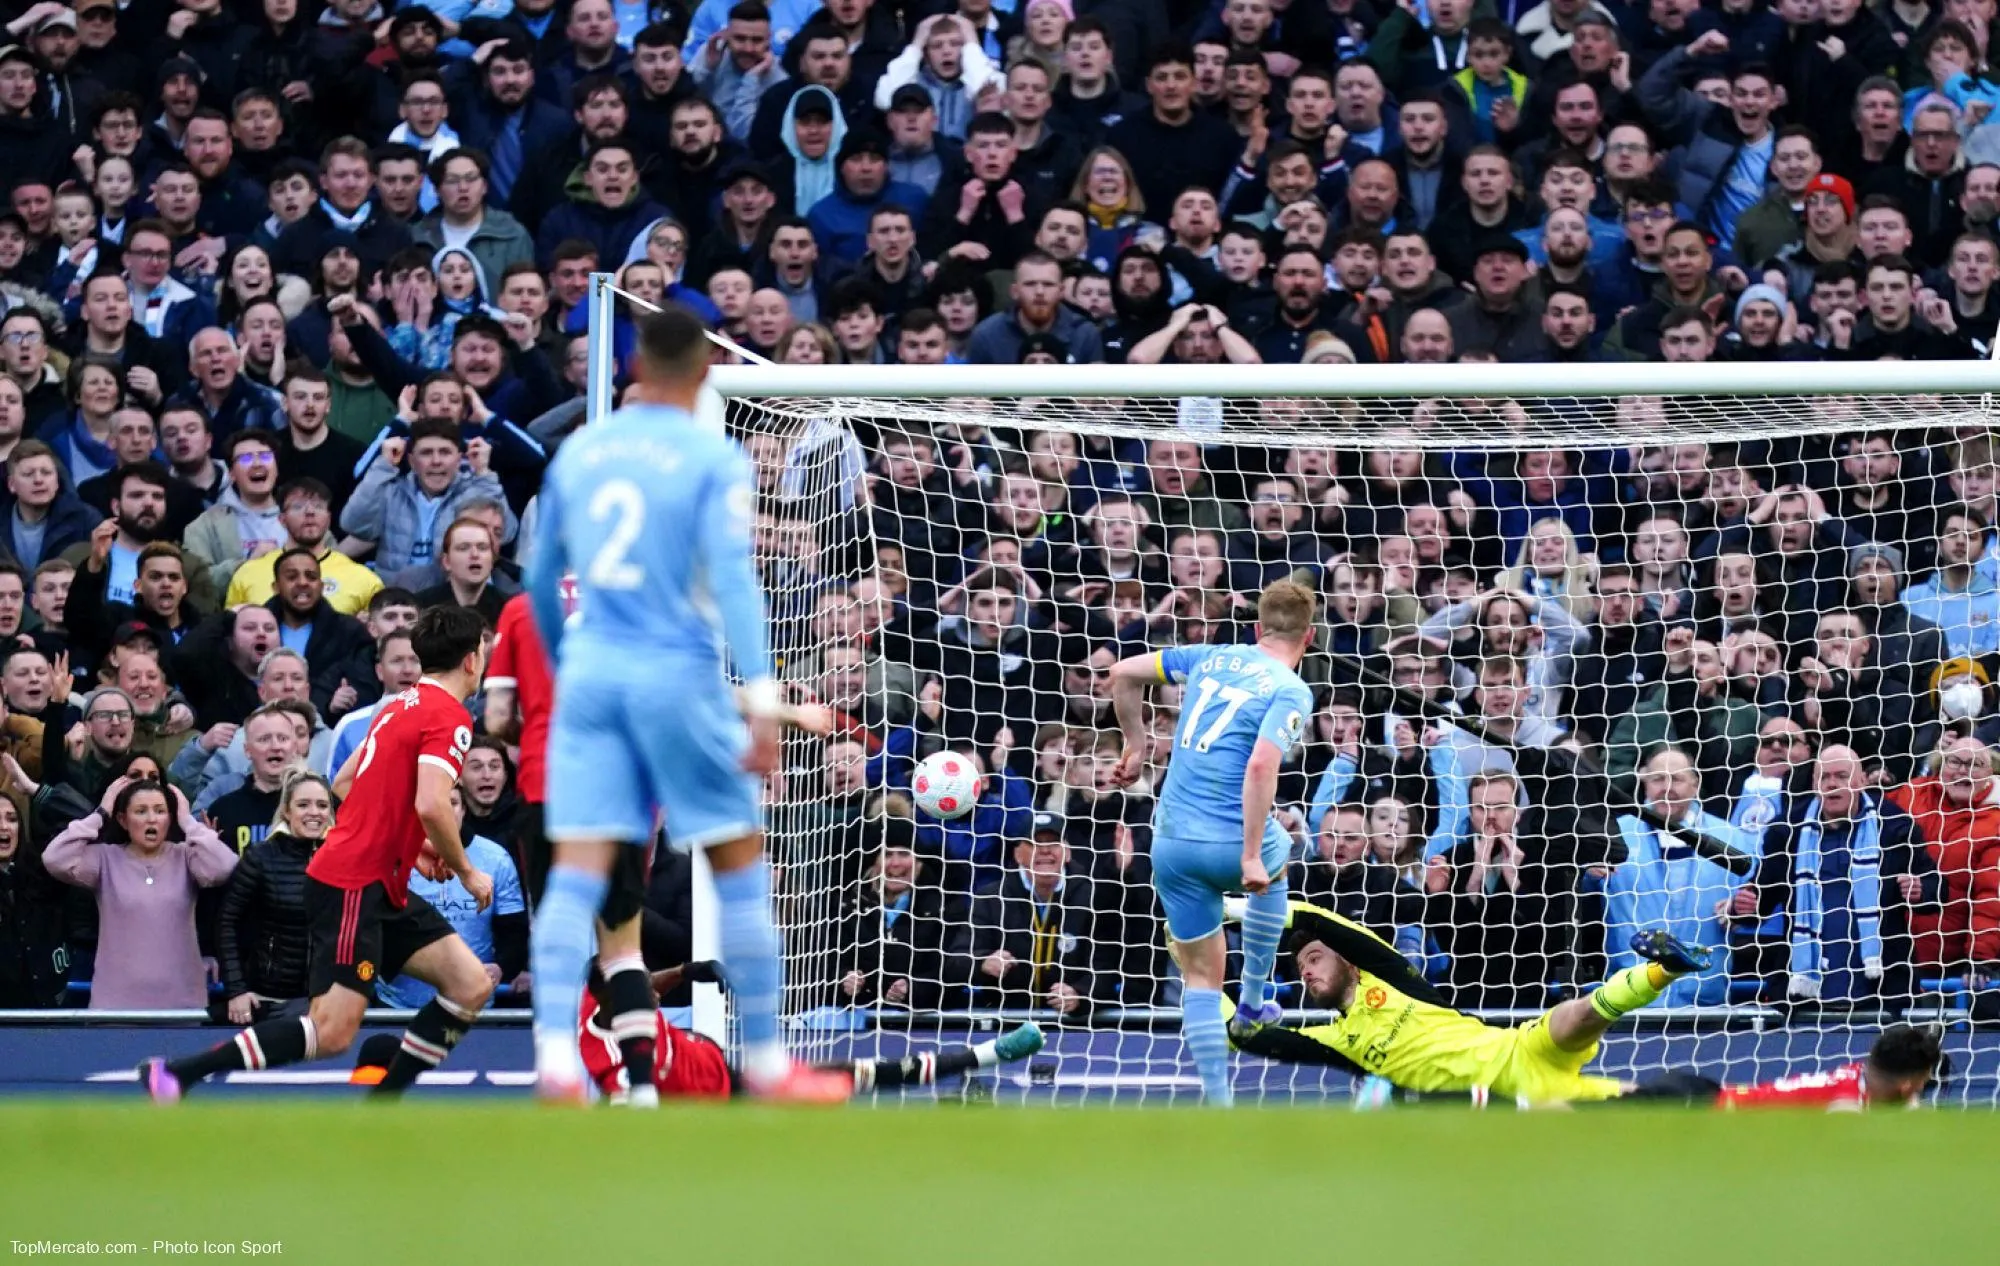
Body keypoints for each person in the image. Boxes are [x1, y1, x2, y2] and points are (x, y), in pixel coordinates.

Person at [525, 303, 849, 1105]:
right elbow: (736, 583)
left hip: (594, 673)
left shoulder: (582, 453)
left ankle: (556, 1064)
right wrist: (766, 702)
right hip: (674, 670)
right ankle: (770, 1064)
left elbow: (537, 580)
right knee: (738, 861)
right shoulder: (710, 457)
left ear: (634, 366)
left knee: (576, 872)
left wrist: (569, 666)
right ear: (706, 371)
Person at [140, 606, 498, 1101]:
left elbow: (346, 783)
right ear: (472, 659)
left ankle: (383, 1107)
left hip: (374, 878)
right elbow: (433, 802)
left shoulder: (398, 703)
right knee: (332, 1032)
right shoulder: (451, 716)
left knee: (471, 983)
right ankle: (180, 1072)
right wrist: (466, 870)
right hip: (355, 882)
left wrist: (409, 850)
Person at [1105, 578, 1317, 1106]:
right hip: (1230, 841)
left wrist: (1136, 745)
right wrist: (1248, 853)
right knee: (1280, 857)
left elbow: (1121, 672)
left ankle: (1218, 1105)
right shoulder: (1290, 688)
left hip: (1173, 843)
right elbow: (1263, 764)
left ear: (1254, 627)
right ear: (1309, 637)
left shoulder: (1211, 655)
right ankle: (1250, 1003)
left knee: (1200, 976)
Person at [1228, 898, 1713, 1106]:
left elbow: (1335, 926)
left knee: (1576, 1017)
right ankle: (1730, 1105)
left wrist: (1244, 911)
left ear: (1351, 964)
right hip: (1510, 1103)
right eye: (1300, 967)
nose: (1307, 970)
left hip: (1518, 1050)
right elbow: (1252, 1040)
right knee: (1647, 1108)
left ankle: (1662, 968)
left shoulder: (1396, 979)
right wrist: (1202, 978)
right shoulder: (1336, 1040)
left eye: (1315, 957)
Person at [43, 776, 237, 1010]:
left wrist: (189, 823)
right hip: (115, 1005)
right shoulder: (105, 858)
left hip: (181, 1003)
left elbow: (225, 866)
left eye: (160, 810)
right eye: (141, 811)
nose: (152, 819)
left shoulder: (186, 856)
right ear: (123, 820)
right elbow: (54, 858)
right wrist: (100, 813)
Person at [215, 769, 333, 1024]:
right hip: (267, 1002)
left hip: (326, 1004)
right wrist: (236, 989)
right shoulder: (260, 857)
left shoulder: (343, 861)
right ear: (287, 811)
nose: (314, 812)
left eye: (322, 805)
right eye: (303, 805)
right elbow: (226, 922)